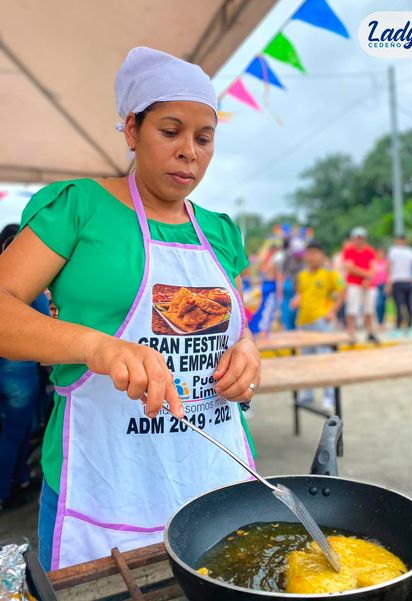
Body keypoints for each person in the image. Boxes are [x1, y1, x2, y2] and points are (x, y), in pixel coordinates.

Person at [0, 48, 260, 570]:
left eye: (203, 138)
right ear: (132, 129)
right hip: (105, 487)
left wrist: (248, 353)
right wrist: (95, 346)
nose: (189, 152)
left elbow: (238, 327)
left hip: (213, 474)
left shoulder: (219, 230)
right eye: (170, 131)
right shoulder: (79, 207)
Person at [0, 225, 51, 512]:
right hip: (18, 370)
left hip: (7, 368)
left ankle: (17, 479)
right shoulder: (28, 280)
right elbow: (45, 324)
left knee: (11, 430)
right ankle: (7, 489)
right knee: (17, 432)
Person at [290, 242, 345, 412]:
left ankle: (329, 397)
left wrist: (332, 312)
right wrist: (297, 299)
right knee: (306, 360)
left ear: (322, 255)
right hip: (303, 321)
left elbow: (342, 290)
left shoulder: (330, 273)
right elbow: (301, 293)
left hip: (321, 321)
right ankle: (307, 394)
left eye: (315, 253)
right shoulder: (302, 275)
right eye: (309, 253)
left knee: (324, 359)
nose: (311, 257)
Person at [343, 227, 379, 344]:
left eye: (361, 238)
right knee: (352, 309)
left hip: (368, 284)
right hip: (354, 283)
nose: (359, 240)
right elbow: (349, 267)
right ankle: (351, 332)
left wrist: (367, 278)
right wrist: (366, 274)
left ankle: (370, 332)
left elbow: (373, 268)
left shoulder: (370, 251)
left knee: (369, 309)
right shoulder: (349, 250)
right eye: (357, 238)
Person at [386, 235, 412, 337]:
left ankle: (398, 327)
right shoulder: (411, 252)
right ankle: (410, 327)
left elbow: (389, 266)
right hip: (408, 280)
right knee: (408, 305)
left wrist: (389, 281)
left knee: (399, 305)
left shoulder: (393, 251)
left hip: (397, 280)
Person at [371, 247, 388, 329]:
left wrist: (388, 285)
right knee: (378, 303)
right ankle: (379, 321)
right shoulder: (373, 262)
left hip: (384, 285)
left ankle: (382, 320)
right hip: (376, 285)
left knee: (383, 304)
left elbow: (388, 274)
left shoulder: (386, 263)